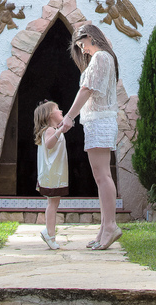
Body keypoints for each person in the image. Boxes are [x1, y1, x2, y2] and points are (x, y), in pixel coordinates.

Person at [61, 24, 122, 250]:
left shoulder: (100, 58)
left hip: (100, 120)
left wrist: (69, 117)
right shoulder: (104, 58)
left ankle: (110, 226)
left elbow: (86, 89)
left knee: (103, 176)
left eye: (82, 44)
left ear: (91, 37)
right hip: (97, 121)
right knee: (100, 177)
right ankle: (105, 227)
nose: (83, 50)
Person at [34, 100, 69, 250]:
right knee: (52, 204)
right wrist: (60, 131)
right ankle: (50, 234)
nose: (61, 111)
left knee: (54, 203)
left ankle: (49, 232)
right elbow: (49, 144)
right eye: (57, 108)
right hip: (52, 175)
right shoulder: (49, 130)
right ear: (49, 115)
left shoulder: (53, 129)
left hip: (55, 174)